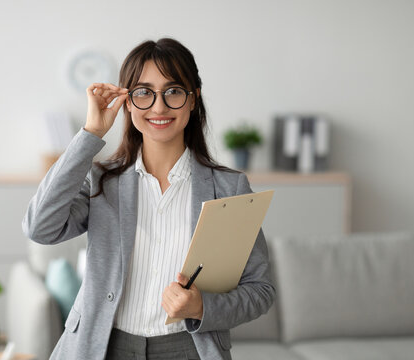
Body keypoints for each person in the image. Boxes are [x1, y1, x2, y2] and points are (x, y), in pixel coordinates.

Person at [22, 37, 276, 360]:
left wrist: (202, 306)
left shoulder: (230, 188)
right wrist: (90, 135)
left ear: (193, 99)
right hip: (104, 348)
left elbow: (260, 290)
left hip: (188, 349)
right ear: (127, 102)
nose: (158, 107)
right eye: (144, 92)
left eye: (173, 91)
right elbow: (39, 226)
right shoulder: (103, 181)